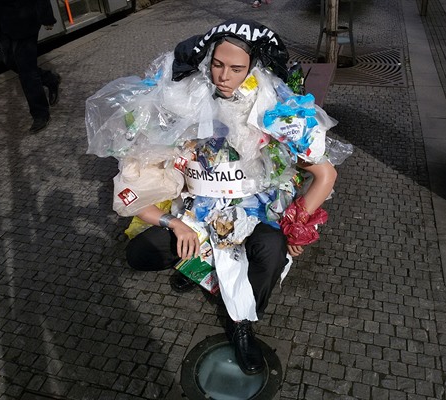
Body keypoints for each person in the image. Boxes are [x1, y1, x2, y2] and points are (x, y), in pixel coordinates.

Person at [86, 18, 344, 376]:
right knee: (140, 254)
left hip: (254, 211)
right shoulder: (183, 102)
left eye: (237, 68)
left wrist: (295, 224)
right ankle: (199, 268)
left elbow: (324, 174)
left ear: (253, 68)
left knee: (271, 250)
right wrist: (174, 222)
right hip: (198, 211)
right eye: (218, 65)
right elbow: (137, 171)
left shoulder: (271, 111)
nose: (224, 76)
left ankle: (242, 322)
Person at [0, 0, 61, 133]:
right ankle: (49, 79)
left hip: (24, 16)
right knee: (9, 61)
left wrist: (46, 16)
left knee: (26, 70)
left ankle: (40, 114)